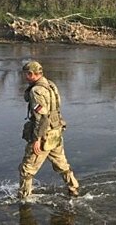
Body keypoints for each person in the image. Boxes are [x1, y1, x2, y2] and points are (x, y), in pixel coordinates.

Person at [18, 61, 79, 199]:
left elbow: (42, 118)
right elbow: (55, 109)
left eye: (26, 74)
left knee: (26, 170)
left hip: (44, 135)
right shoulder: (51, 85)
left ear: (31, 74)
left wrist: (36, 140)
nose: (25, 77)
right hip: (56, 132)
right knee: (61, 164)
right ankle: (73, 188)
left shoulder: (36, 91)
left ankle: (23, 199)